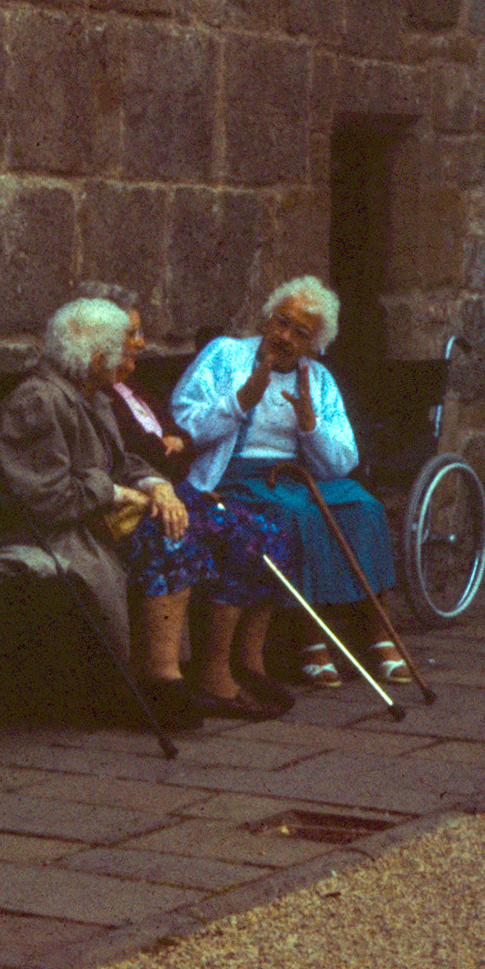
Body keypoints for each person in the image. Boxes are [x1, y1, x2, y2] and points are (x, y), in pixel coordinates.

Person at [0, 298, 289, 730]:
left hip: (90, 518)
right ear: (92, 353)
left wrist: (156, 486)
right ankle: (159, 678)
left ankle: (182, 675)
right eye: (120, 345)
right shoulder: (39, 401)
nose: (131, 353)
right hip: (54, 530)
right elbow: (46, 498)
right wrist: (118, 493)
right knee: (170, 535)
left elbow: (121, 461)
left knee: (213, 525)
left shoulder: (89, 394)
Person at [170, 276, 408, 688]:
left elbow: (342, 462)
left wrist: (310, 424)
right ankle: (310, 639)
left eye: (300, 333)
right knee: (295, 514)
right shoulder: (225, 355)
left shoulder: (317, 379)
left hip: (295, 476)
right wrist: (242, 399)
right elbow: (183, 420)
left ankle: (380, 632)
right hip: (232, 479)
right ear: (268, 318)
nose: (284, 336)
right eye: (281, 322)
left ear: (315, 344)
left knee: (364, 506)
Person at [76, 282, 296, 713]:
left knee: (266, 530)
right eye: (131, 334)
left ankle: (242, 664)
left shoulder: (130, 389)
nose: (141, 343)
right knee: (213, 533)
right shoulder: (98, 394)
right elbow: (139, 453)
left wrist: (174, 451)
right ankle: (189, 675)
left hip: (171, 488)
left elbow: (176, 441)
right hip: (142, 500)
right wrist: (169, 456)